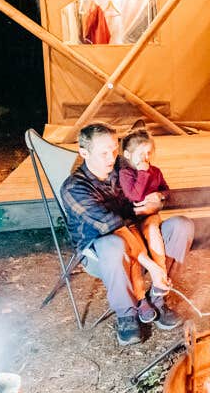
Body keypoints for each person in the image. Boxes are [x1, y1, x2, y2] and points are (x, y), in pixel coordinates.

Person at [61, 122, 194, 345]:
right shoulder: (75, 188)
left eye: (114, 150)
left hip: (138, 233)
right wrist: (152, 266)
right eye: (103, 153)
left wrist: (158, 199)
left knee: (182, 226)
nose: (111, 157)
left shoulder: (121, 167)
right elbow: (117, 229)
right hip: (101, 251)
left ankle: (158, 297)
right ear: (84, 152)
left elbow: (156, 186)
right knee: (113, 244)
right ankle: (127, 314)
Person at [118, 128, 174, 292]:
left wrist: (160, 195)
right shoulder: (126, 173)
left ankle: (161, 272)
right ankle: (147, 286)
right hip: (132, 219)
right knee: (137, 247)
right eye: (141, 154)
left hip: (151, 215)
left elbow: (167, 190)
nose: (146, 158)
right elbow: (134, 196)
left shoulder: (155, 171)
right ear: (128, 155)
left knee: (152, 230)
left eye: (149, 153)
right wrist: (142, 173)